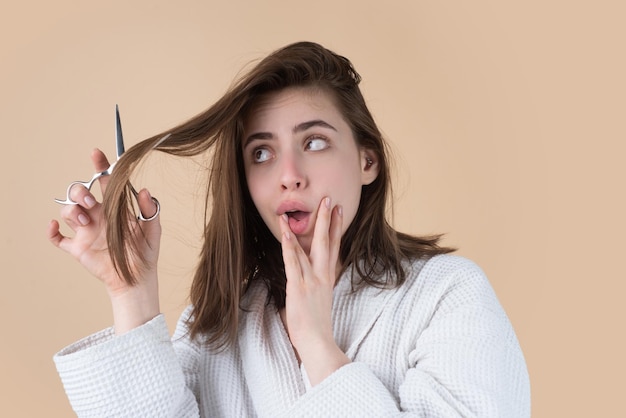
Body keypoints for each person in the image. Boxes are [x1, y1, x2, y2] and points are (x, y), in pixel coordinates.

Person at [48, 41, 530, 417]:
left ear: (368, 160)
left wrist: (317, 344)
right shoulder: (218, 321)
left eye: (315, 141)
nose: (288, 174)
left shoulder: (448, 296)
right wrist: (131, 291)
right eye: (261, 152)